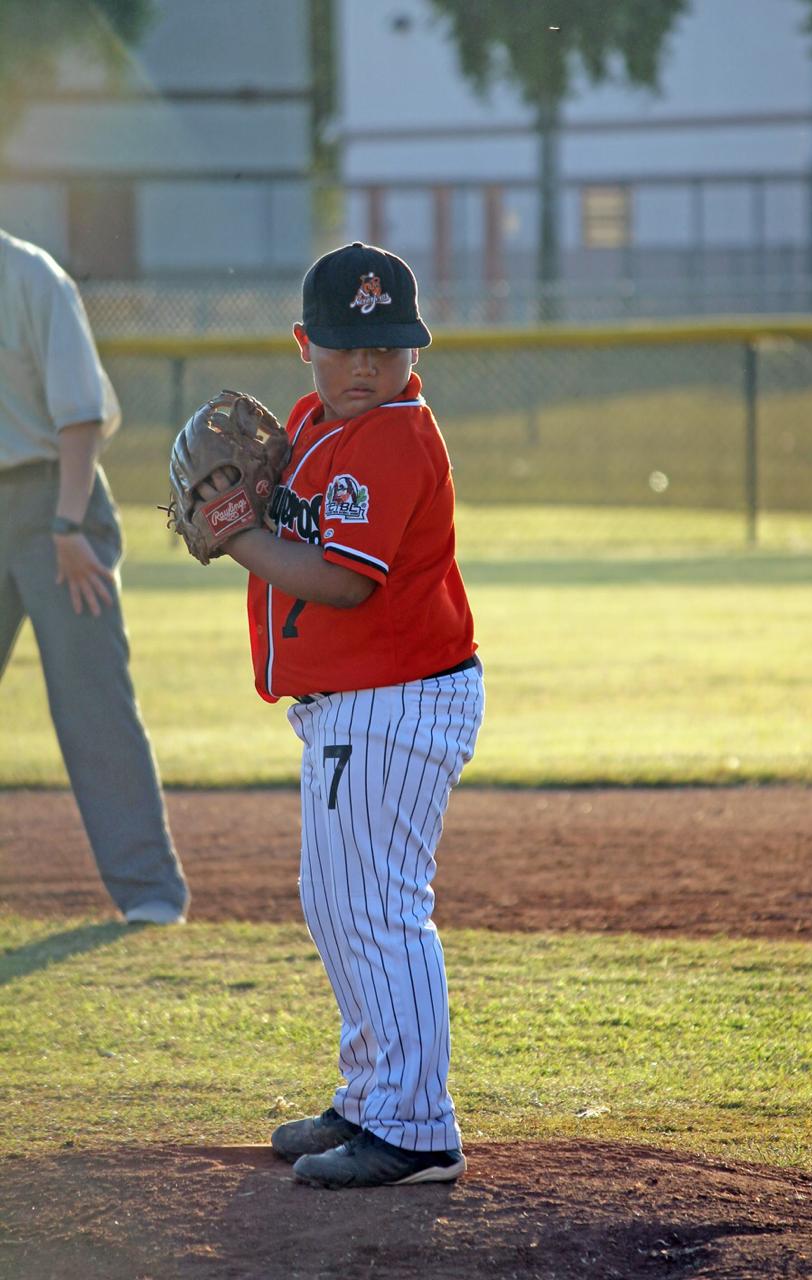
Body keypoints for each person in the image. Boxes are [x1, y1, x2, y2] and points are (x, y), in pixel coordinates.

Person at [198, 241, 484, 1188]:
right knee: (338, 905)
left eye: (388, 348)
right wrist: (257, 504)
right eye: (349, 347)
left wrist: (238, 534)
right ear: (305, 345)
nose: (369, 366)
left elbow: (339, 584)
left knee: (376, 909)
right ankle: (371, 1097)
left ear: (415, 351)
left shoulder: (394, 437)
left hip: (394, 699)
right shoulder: (316, 421)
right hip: (360, 703)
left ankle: (414, 1127)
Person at [0, 228, 189, 926]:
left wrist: (69, 526)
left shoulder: (31, 277)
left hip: (56, 500)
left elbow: (78, 417)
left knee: (91, 707)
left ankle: (149, 891)